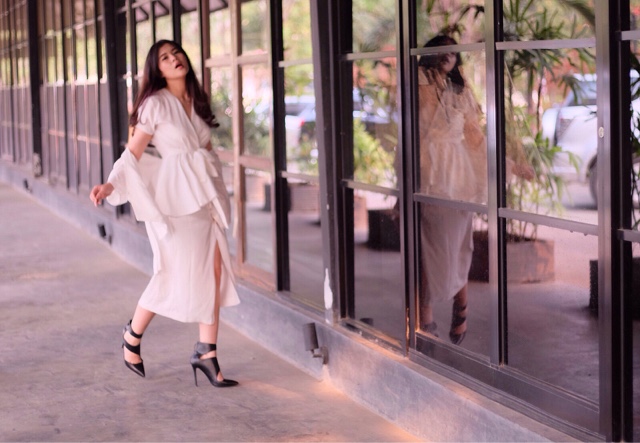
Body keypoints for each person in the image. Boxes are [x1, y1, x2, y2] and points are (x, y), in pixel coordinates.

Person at [90, 40, 239, 387]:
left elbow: (205, 147)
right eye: (165, 58)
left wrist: (217, 185)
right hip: (177, 199)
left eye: (177, 53)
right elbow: (132, 154)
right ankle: (132, 334)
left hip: (204, 195)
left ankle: (206, 352)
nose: (175, 60)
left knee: (213, 271)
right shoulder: (155, 104)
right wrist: (110, 185)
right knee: (172, 271)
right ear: (157, 69)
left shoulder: (196, 99)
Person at [416, 35, 488, 345]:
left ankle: (462, 306)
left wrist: (509, 165)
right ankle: (425, 315)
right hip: (430, 175)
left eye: (454, 51)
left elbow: (475, 138)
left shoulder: (460, 91)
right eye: (442, 49)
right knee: (431, 249)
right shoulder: (417, 84)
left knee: (460, 246)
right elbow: (408, 134)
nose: (449, 55)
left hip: (459, 177)